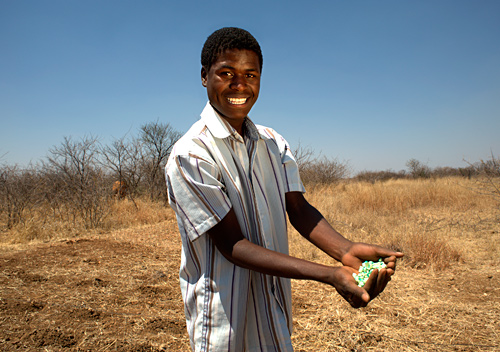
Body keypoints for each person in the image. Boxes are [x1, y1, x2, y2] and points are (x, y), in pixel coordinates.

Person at [165, 27, 403, 352]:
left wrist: (345, 251)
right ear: (205, 76)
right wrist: (331, 274)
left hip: (273, 309)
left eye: (251, 74)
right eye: (226, 73)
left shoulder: (273, 143)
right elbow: (233, 245)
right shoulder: (191, 155)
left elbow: (300, 211)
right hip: (225, 320)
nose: (240, 85)